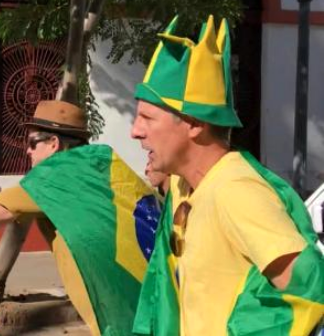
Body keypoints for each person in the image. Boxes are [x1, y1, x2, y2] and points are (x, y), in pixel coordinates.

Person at [0, 100, 160, 335]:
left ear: (54, 144)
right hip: (156, 295)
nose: (27, 151)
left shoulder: (56, 174)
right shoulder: (102, 162)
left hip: (132, 319)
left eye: (33, 142)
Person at [131, 15, 324, 335]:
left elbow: (310, 288)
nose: (135, 131)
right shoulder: (184, 184)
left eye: (148, 118)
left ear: (194, 123)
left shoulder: (237, 192)